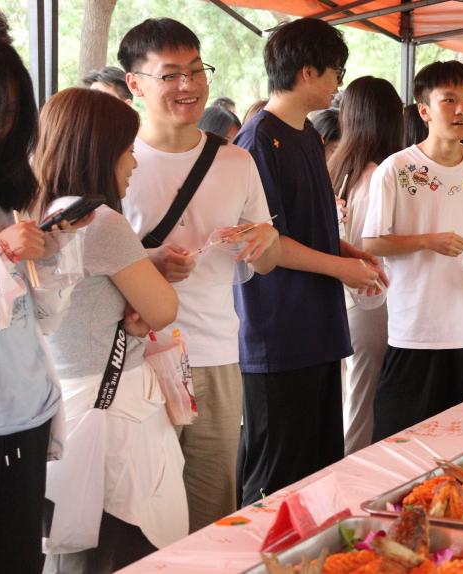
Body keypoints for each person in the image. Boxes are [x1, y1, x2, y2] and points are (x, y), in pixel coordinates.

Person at [117, 17, 281, 531]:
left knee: (213, 510)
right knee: (141, 515)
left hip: (215, 354)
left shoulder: (236, 162)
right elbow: (88, 263)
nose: (188, 85)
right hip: (136, 361)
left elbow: (266, 261)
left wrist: (264, 241)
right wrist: (150, 264)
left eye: (196, 70)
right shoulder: (116, 161)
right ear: (135, 83)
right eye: (170, 74)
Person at [34, 88, 183, 573]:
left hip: (64, 400)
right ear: (99, 150)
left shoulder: (40, 213)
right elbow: (162, 309)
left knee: (74, 548)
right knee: (124, 546)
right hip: (117, 410)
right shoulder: (100, 221)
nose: (133, 162)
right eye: (127, 149)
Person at [233, 18, 380, 503]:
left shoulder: (309, 136)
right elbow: (267, 243)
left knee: (319, 471)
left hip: (318, 330)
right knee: (275, 482)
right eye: (337, 71)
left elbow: (307, 226)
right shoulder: (258, 139)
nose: (339, 84)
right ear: (308, 71)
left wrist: (349, 252)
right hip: (277, 334)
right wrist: (342, 268)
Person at [362, 60, 463, 440]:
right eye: (450, 100)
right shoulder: (395, 169)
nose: (462, 110)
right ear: (424, 110)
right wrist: (428, 240)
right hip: (415, 328)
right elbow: (372, 242)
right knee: (402, 441)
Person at [0, 28, 69, 574]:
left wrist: (49, 255)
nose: (6, 127)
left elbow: (44, 318)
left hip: (28, 413)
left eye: (15, 113)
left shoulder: (2, 192)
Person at [326, 76, 401, 454]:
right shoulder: (378, 176)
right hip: (372, 298)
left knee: (349, 398)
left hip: (339, 297)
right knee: (363, 405)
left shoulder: (337, 168)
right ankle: (352, 476)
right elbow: (380, 244)